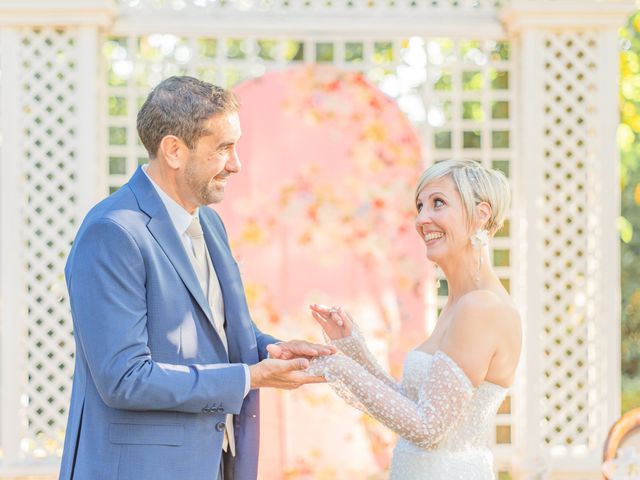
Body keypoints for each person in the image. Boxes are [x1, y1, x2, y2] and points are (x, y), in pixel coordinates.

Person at [59, 76, 334, 480]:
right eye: (224, 148)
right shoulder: (113, 232)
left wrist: (270, 350)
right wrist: (248, 377)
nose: (236, 164)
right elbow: (124, 378)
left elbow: (215, 332)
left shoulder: (210, 223)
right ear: (173, 150)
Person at [308, 159, 522, 479]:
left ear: (481, 214)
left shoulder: (481, 307)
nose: (422, 219)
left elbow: (428, 428)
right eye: (420, 206)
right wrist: (353, 350)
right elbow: (414, 409)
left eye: (438, 203)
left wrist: (336, 367)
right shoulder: (458, 304)